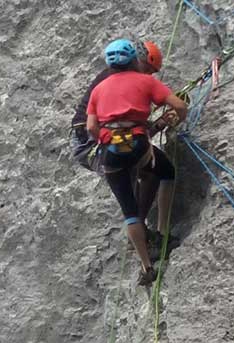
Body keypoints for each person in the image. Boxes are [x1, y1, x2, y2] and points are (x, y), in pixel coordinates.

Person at [86, 39, 188, 286]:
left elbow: (91, 127)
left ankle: (147, 268)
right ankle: (162, 233)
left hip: (111, 150)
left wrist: (105, 139)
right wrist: (177, 119)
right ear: (134, 59)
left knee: (129, 211)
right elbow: (179, 104)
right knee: (165, 171)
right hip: (138, 145)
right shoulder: (146, 81)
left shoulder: (98, 89)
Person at [69, 40, 163, 171]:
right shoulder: (116, 80)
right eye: (146, 69)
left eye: (151, 72)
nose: (147, 75)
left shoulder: (118, 77)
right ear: (136, 61)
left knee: (152, 169)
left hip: (91, 134)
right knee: (127, 174)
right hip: (87, 139)